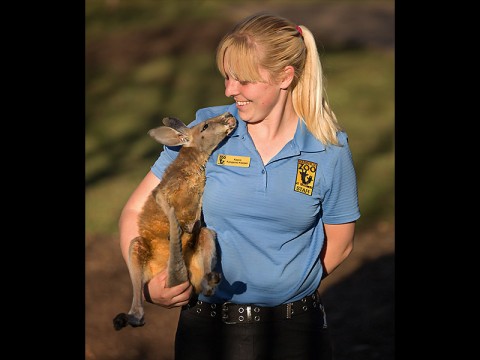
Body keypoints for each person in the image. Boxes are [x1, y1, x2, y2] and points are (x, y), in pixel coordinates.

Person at [119, 12, 360, 360]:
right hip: (207, 330)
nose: (230, 90)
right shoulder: (207, 131)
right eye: (227, 77)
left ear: (285, 76)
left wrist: (286, 284)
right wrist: (151, 281)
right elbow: (135, 209)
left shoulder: (328, 148)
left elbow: (341, 241)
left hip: (296, 333)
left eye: (243, 80)